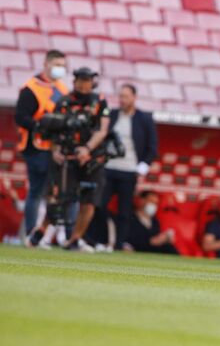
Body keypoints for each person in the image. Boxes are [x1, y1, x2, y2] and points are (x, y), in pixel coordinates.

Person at [34, 67, 112, 252]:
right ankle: (38, 234)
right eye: (81, 80)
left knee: (89, 201)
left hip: (93, 159)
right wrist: (55, 150)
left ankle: (75, 239)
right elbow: (51, 129)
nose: (84, 84)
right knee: (59, 199)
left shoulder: (99, 101)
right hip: (67, 158)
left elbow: (102, 130)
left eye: (87, 80)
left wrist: (87, 149)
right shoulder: (64, 101)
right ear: (75, 81)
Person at [93, 83, 159, 251]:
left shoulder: (144, 119)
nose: (122, 100)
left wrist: (143, 167)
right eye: (121, 96)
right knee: (99, 205)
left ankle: (119, 244)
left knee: (124, 211)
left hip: (129, 171)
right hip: (109, 168)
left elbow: (152, 148)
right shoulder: (112, 115)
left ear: (134, 98)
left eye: (126, 96)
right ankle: (99, 240)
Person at [16, 49, 68, 236]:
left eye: (62, 66)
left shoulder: (62, 89)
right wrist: (41, 126)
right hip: (36, 146)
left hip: (56, 148)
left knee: (55, 192)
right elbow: (21, 118)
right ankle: (31, 232)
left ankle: (48, 234)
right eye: (57, 65)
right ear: (46, 64)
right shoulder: (31, 88)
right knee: (36, 191)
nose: (60, 69)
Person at [126, 190, 177, 255]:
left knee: (169, 247)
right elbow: (129, 240)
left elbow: (157, 240)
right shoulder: (130, 219)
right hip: (137, 252)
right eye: (151, 202)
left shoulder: (155, 221)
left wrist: (165, 239)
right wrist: (151, 241)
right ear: (142, 201)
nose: (154, 205)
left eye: (156, 203)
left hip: (152, 252)